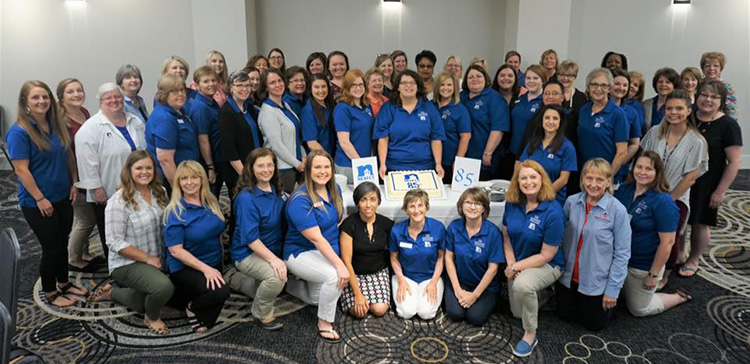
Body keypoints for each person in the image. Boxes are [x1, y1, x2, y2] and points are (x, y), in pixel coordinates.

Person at [8, 80, 86, 307]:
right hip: (37, 201)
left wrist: (74, 182)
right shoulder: (20, 131)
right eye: (35, 97)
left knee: (63, 241)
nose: (41, 101)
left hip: (63, 195)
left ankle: (64, 282)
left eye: (45, 97)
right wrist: (40, 198)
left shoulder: (56, 124)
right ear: (25, 102)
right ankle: (51, 291)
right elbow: (21, 169)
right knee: (52, 247)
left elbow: (68, 154)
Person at [93, 151, 173, 335]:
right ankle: (151, 317)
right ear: (129, 171)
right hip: (127, 263)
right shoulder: (118, 201)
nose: (144, 172)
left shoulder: (160, 192)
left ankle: (112, 293)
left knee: (141, 302)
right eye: (139, 168)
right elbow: (113, 242)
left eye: (148, 168)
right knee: (163, 288)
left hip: (157, 257)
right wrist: (147, 259)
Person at [641, 90, 708, 285]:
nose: (673, 112)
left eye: (679, 108)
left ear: (688, 110)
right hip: (648, 192)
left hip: (675, 198)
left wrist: (666, 202)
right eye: (669, 108)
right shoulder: (655, 132)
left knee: (668, 238)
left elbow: (690, 179)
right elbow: (644, 161)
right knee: (645, 232)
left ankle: (664, 275)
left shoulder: (696, 141)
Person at [556, 158, 630, 331]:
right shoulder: (571, 202)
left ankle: (616, 300)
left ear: (609, 182)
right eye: (589, 178)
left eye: (600, 179)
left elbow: (622, 254)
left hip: (596, 282)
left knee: (594, 325)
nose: (593, 184)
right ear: (582, 180)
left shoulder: (618, 211)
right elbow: (559, 238)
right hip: (568, 277)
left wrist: (612, 290)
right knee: (564, 316)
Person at [615, 152, 692, 316]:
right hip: (618, 259)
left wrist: (653, 275)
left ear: (657, 173)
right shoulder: (624, 189)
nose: (642, 172)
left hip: (642, 265)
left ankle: (678, 297)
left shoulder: (663, 203)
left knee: (638, 309)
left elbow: (668, 243)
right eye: (639, 167)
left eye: (649, 169)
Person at [76, 83, 147, 258]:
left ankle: (141, 259)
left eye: (117, 97)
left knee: (138, 226)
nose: (114, 100)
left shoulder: (135, 121)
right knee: (113, 232)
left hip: (138, 186)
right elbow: (86, 164)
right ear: (100, 101)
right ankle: (116, 268)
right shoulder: (90, 128)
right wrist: (96, 189)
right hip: (108, 190)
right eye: (109, 98)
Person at [502, 160, 565, 357]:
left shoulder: (553, 211)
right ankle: (544, 296)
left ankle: (530, 333)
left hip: (548, 263)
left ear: (542, 179)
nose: (528, 182)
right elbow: (506, 236)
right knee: (517, 312)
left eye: (533, 177)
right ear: (517, 182)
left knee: (522, 286)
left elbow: (547, 254)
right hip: (518, 261)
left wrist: (516, 266)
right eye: (523, 178)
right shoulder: (512, 204)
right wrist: (511, 263)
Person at [283, 150, 347, 343]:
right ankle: (325, 323)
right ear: (308, 170)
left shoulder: (334, 189)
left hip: (324, 250)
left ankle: (290, 286)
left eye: (326, 167)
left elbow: (337, 222)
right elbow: (317, 240)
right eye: (317, 167)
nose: (323, 171)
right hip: (300, 252)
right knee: (335, 277)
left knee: (317, 299)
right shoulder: (300, 200)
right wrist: (340, 264)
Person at [684, 80, 742, 277]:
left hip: (708, 182)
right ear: (697, 95)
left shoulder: (728, 125)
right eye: (704, 94)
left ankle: (694, 259)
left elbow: (734, 162)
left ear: (722, 101)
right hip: (682, 178)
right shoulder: (688, 116)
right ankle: (678, 254)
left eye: (714, 97)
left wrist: (720, 191)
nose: (708, 100)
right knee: (680, 218)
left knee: (701, 221)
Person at [163, 161, 230, 333]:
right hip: (185, 266)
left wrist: (218, 264)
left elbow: (217, 232)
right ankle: (192, 307)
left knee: (217, 289)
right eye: (184, 178)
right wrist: (206, 269)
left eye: (194, 177)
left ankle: (184, 298)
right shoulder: (175, 211)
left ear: (202, 179)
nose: (189, 182)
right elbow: (175, 250)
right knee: (221, 292)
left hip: (212, 261)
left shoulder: (210, 201)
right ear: (178, 182)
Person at [231, 148, 287, 330]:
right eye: (260, 166)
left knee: (276, 284)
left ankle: (235, 280)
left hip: (271, 248)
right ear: (251, 169)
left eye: (269, 165)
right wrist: (274, 260)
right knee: (276, 278)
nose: (266, 170)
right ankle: (261, 314)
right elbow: (250, 239)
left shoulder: (275, 188)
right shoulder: (247, 198)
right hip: (247, 252)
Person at [444, 188, 504, 326]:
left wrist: (475, 295)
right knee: (455, 314)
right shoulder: (454, 227)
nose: (472, 207)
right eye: (468, 202)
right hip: (460, 281)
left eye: (477, 203)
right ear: (461, 205)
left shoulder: (493, 233)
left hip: (484, 286)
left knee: (475, 318)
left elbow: (493, 269)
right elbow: (448, 258)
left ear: (484, 208)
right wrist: (457, 289)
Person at [375, 69, 446, 178]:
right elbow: (383, 138)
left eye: (412, 83)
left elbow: (436, 138)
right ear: (398, 87)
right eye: (404, 83)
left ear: (418, 86)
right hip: (395, 167)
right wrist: (383, 164)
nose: (408, 86)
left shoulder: (429, 108)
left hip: (425, 167)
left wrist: (438, 164)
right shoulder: (388, 108)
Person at [339, 182, 394, 318]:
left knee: (380, 310)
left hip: (378, 272)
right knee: (359, 312)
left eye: (373, 199)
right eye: (363, 200)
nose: (368, 205)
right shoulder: (349, 225)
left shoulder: (386, 223)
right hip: (354, 274)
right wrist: (358, 294)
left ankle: (372, 299)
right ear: (357, 202)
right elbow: (346, 262)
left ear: (378, 202)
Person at [57, 78, 96, 271]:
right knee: (85, 219)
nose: (76, 95)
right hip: (74, 175)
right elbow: (67, 154)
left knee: (89, 215)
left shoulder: (85, 113)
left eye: (79, 90)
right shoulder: (61, 120)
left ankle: (85, 252)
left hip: (88, 172)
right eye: (70, 92)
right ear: (61, 97)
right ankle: (73, 258)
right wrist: (74, 181)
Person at [389, 189, 446, 320]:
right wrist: (401, 280)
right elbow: (393, 258)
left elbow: (441, 257)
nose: (416, 210)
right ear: (406, 209)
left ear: (426, 207)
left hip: (430, 277)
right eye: (412, 206)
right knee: (406, 313)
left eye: (420, 205)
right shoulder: (397, 231)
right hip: (406, 276)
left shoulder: (438, 228)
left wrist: (434, 282)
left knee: (426, 314)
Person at [145, 75, 199, 190]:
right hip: (174, 181)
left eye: (182, 90)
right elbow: (165, 160)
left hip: (187, 175)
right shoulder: (166, 119)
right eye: (174, 91)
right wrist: (177, 189)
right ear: (164, 95)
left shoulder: (179, 112)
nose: (180, 94)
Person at [257, 68, 306, 194]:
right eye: (272, 83)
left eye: (280, 81)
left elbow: (295, 135)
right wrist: (297, 164)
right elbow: (276, 145)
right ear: (266, 87)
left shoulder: (285, 105)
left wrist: (303, 156)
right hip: (282, 168)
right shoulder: (268, 111)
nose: (278, 85)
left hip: (294, 165)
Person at [219, 70, 264, 202]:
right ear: (231, 88)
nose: (244, 89)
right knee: (241, 205)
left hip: (254, 165)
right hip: (239, 171)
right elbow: (229, 148)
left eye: (247, 85)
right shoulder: (226, 112)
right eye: (240, 85)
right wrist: (245, 174)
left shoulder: (248, 107)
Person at [518, 105, 577, 206]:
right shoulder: (533, 142)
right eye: (547, 118)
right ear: (541, 120)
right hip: (529, 197)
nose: (550, 122)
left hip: (552, 199)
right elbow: (521, 166)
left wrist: (542, 195)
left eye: (555, 118)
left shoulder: (567, 147)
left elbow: (563, 180)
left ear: (560, 122)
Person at [460, 64, 510, 181]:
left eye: (479, 76)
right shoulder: (461, 97)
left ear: (485, 78)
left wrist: (488, 153)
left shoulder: (495, 98)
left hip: (483, 156)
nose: (475, 79)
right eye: (470, 77)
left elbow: (498, 129)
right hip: (463, 156)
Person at [577, 68, 628, 178]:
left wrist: (608, 177)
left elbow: (622, 152)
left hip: (606, 176)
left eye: (603, 85)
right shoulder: (583, 110)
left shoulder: (617, 114)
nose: (598, 89)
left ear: (609, 88)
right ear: (588, 88)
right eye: (594, 85)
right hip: (585, 173)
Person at [333, 69, 374, 183]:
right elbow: (344, 143)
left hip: (365, 163)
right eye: (354, 85)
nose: (358, 88)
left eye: (361, 85)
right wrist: (361, 165)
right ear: (347, 87)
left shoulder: (366, 107)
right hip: (349, 165)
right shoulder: (342, 108)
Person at [188, 66, 223, 197]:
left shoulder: (212, 102)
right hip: (209, 163)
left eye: (213, 80)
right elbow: (203, 140)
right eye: (206, 81)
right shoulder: (200, 108)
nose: (211, 84)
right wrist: (210, 167)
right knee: (211, 199)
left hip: (218, 158)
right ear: (197, 86)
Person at [433, 71, 471, 183]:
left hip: (449, 161)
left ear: (455, 88)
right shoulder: (430, 106)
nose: (446, 88)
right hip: (429, 159)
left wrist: (458, 160)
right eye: (442, 84)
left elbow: (466, 136)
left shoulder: (460, 109)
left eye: (449, 85)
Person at [609, 69, 643, 185]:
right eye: (617, 84)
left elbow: (635, 143)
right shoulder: (596, 108)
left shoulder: (631, 112)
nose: (621, 88)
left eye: (625, 85)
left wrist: (619, 162)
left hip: (618, 171)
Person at [510, 65, 547, 157]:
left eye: (535, 78)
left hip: (534, 153)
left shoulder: (545, 102)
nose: (531, 81)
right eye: (528, 78)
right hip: (513, 151)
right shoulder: (519, 99)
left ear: (543, 80)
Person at [301, 74, 337, 156]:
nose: (321, 90)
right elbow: (312, 143)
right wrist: (327, 159)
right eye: (316, 87)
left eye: (323, 86)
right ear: (310, 89)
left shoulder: (331, 106)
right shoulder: (308, 111)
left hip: (333, 155)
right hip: (319, 158)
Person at [700, 52, 737, 119]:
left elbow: (731, 112)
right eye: (708, 66)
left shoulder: (727, 88)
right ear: (703, 69)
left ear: (721, 69)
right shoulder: (696, 84)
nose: (711, 68)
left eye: (716, 66)